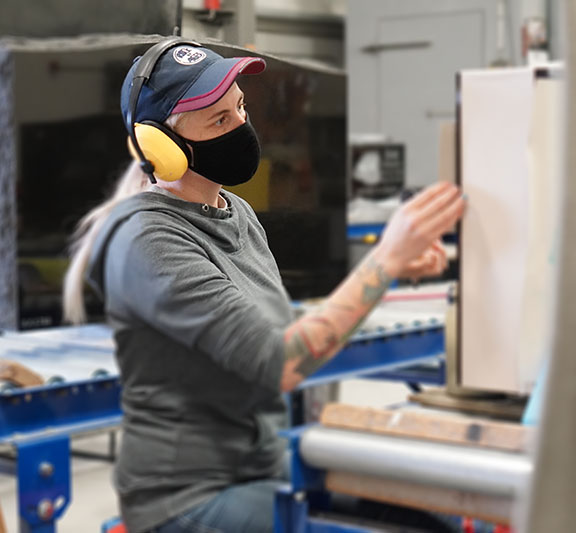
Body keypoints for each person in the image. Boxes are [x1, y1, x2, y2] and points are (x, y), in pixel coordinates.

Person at [63, 38, 465, 533]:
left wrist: (395, 267)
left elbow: (274, 329)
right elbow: (281, 362)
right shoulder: (146, 239)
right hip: (190, 497)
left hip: (266, 465)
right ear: (158, 147)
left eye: (240, 109)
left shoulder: (238, 214)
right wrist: (382, 261)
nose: (241, 129)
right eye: (218, 121)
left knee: (446, 512)